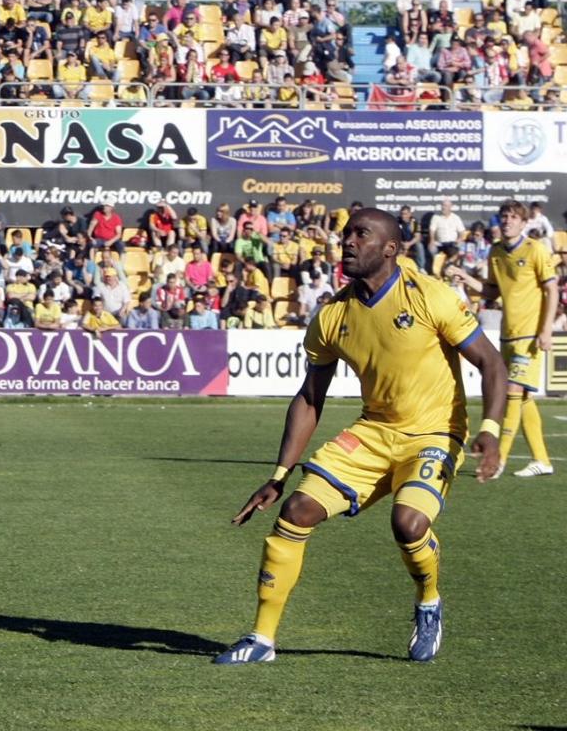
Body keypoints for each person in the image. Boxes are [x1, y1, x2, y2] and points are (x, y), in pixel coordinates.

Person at [214, 209, 506, 665]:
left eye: (360, 234)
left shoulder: (430, 297)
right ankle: (262, 639)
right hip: (373, 434)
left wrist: (489, 430)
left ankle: (428, 600)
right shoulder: (332, 316)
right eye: (345, 233)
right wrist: (279, 474)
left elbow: (492, 363)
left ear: (390, 248)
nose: (347, 241)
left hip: (435, 431)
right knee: (295, 512)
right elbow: (311, 397)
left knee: (408, 524)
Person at [447, 201, 558, 478]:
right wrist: (465, 277)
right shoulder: (496, 251)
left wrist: (546, 330)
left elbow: (552, 290)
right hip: (508, 335)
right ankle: (542, 460)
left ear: (523, 223)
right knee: (523, 399)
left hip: (530, 335)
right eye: (504, 216)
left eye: (513, 217)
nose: (507, 220)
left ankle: (498, 460)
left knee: (512, 393)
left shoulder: (535, 249)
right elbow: (491, 292)